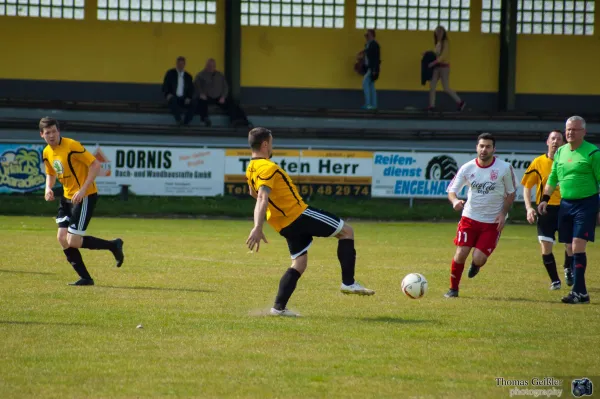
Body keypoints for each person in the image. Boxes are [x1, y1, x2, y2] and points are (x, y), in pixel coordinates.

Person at [245, 127, 374, 317]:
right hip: (298, 215)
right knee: (347, 231)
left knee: (299, 263)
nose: (272, 146)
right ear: (265, 144)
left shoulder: (251, 168)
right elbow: (262, 197)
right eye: (271, 142)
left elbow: (252, 193)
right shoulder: (268, 167)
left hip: (283, 224)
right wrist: (257, 226)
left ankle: (278, 308)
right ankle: (349, 283)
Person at [40, 117, 124, 286]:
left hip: (85, 196)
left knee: (73, 241)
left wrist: (83, 189)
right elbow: (51, 172)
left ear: (59, 131)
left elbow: (95, 165)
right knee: (62, 238)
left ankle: (113, 246)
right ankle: (86, 278)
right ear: (42, 134)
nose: (52, 135)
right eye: (48, 132)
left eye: (54, 131)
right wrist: (48, 188)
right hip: (67, 197)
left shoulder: (72, 146)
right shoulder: (47, 152)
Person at [444, 133, 516, 298]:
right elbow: (452, 190)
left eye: (488, 146)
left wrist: (503, 213)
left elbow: (511, 193)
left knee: (479, 258)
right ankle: (453, 289)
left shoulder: (504, 168)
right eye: (481, 146)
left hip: (492, 222)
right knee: (461, 253)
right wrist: (455, 201)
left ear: (494, 149)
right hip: (469, 218)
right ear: (477, 147)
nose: (484, 150)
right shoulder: (467, 168)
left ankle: (476, 265)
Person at [538, 116, 600, 304]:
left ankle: (578, 292)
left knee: (577, 244)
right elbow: (553, 177)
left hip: (586, 203)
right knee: (569, 247)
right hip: (566, 204)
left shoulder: (593, 153)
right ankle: (581, 293)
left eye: (575, 129)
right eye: (568, 129)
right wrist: (545, 199)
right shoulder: (561, 152)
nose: (570, 132)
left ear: (584, 132)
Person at [521, 130, 574, 290]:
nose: (555, 141)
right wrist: (529, 207)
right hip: (546, 209)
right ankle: (555, 281)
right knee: (546, 246)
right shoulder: (538, 162)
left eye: (559, 139)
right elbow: (527, 186)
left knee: (570, 245)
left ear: (564, 143)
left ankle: (568, 268)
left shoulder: (570, 161)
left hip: (566, 207)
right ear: (547, 142)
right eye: (553, 138)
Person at [193, 58, 249, 127]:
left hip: (218, 97)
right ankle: (204, 120)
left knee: (232, 103)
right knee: (201, 102)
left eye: (212, 66)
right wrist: (201, 94)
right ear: (206, 66)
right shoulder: (200, 75)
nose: (211, 67)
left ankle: (238, 120)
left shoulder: (220, 75)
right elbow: (196, 86)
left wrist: (223, 96)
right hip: (206, 97)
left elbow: (226, 87)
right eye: (209, 66)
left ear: (215, 66)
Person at [427, 26, 465, 112]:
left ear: (443, 33)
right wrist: (427, 53)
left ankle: (460, 102)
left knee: (446, 88)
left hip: (444, 67)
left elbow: (443, 56)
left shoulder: (445, 42)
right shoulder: (438, 43)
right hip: (437, 67)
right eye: (437, 32)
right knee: (432, 85)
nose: (438, 34)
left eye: (440, 32)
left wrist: (433, 63)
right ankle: (432, 106)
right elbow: (436, 54)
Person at [161, 56, 195, 125]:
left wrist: (189, 97)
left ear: (184, 65)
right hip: (173, 97)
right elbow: (165, 86)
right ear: (176, 64)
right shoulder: (170, 73)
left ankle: (186, 122)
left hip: (183, 99)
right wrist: (167, 94)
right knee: (173, 100)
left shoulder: (188, 76)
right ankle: (179, 120)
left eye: (182, 64)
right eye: (179, 64)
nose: (180, 65)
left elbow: (191, 89)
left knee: (194, 103)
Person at [362, 29, 380, 110]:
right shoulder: (368, 45)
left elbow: (376, 58)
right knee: (371, 86)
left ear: (372, 35)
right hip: (369, 68)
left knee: (365, 83)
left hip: (372, 68)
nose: (366, 36)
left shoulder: (374, 45)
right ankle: (373, 105)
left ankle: (368, 104)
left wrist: (374, 70)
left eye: (368, 35)